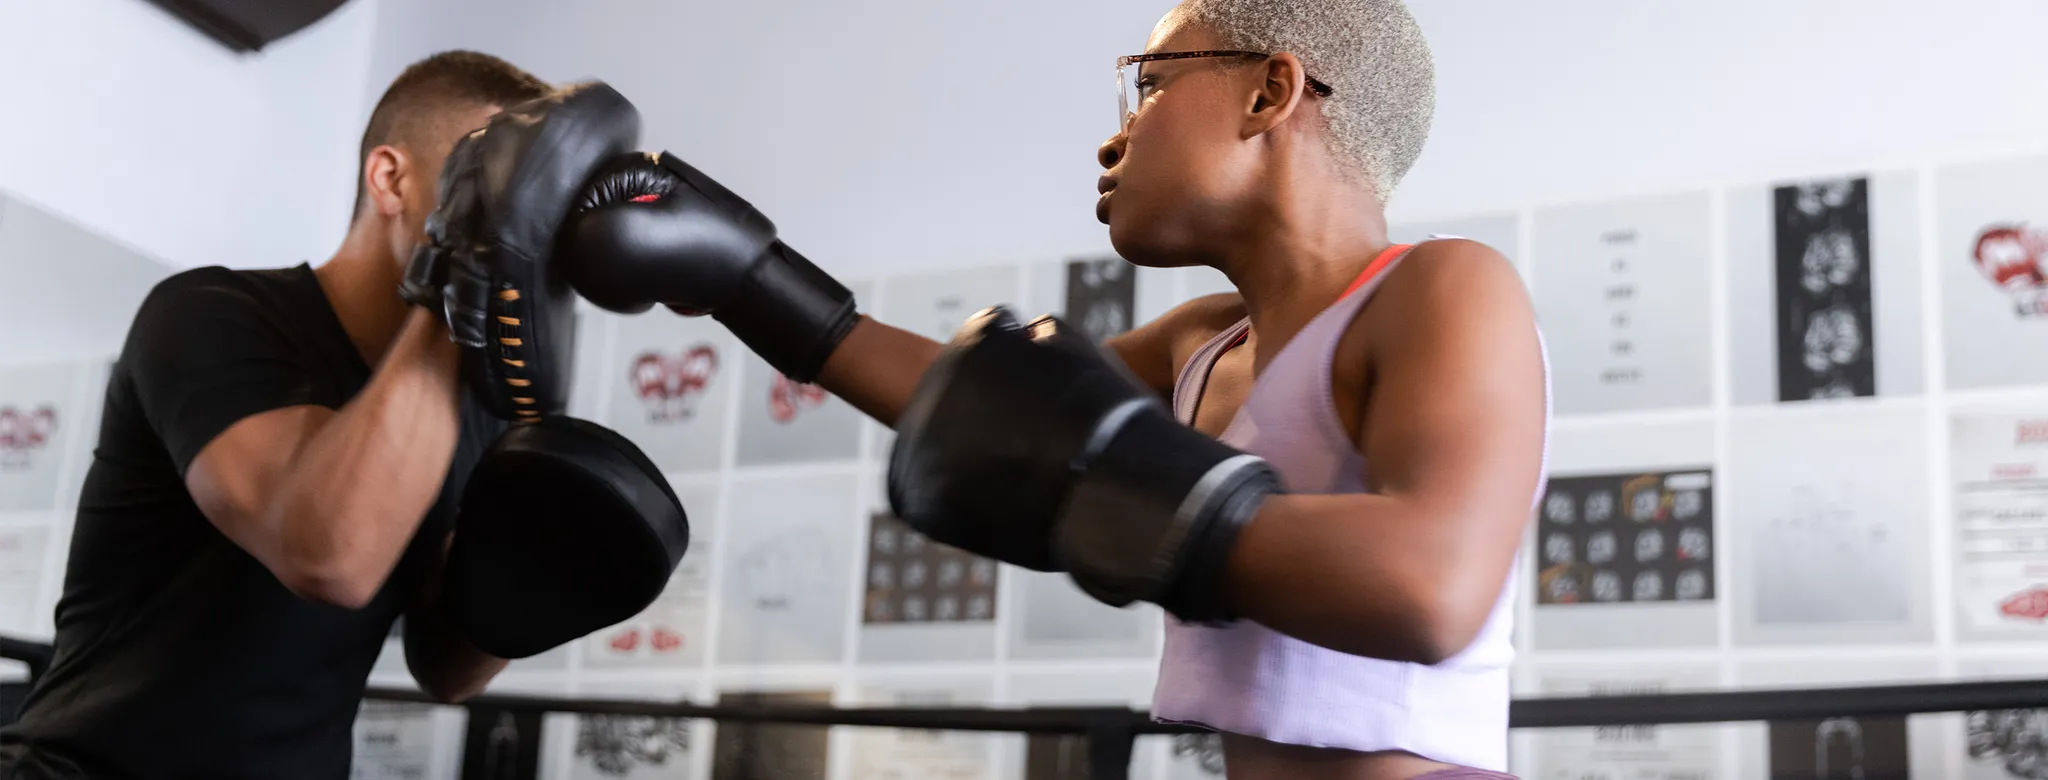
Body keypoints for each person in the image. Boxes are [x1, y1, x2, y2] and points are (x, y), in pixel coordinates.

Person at [546, 1, 1542, 777]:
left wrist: (1144, 498)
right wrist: (745, 277)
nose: (1115, 141)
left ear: (1267, 92)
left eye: (1148, 87)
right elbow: (984, 406)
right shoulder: (1200, 342)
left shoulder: (1441, 288)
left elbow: (1431, 588)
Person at [0, 52, 552, 779]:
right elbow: (329, 554)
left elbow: (447, 669)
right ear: (391, 179)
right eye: (494, 183)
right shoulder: (210, 316)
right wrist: (466, 270)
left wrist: (539, 575)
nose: (519, 223)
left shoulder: (465, 406)